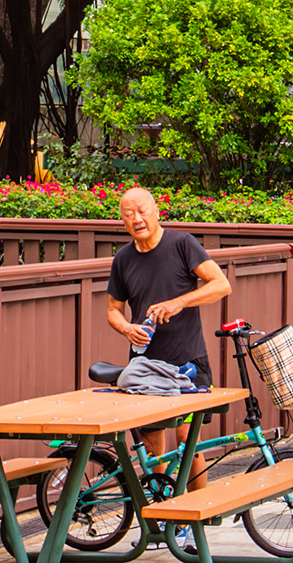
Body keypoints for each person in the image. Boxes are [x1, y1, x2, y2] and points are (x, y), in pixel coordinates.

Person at [102, 183, 231, 483]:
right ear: (122, 222)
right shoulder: (123, 259)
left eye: (142, 211)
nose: (137, 219)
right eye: (128, 215)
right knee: (150, 442)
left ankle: (196, 518)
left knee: (189, 441)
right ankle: (162, 512)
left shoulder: (182, 244)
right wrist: (126, 328)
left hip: (187, 360)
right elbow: (112, 309)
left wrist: (179, 302)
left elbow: (221, 284)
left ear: (157, 211)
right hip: (146, 366)